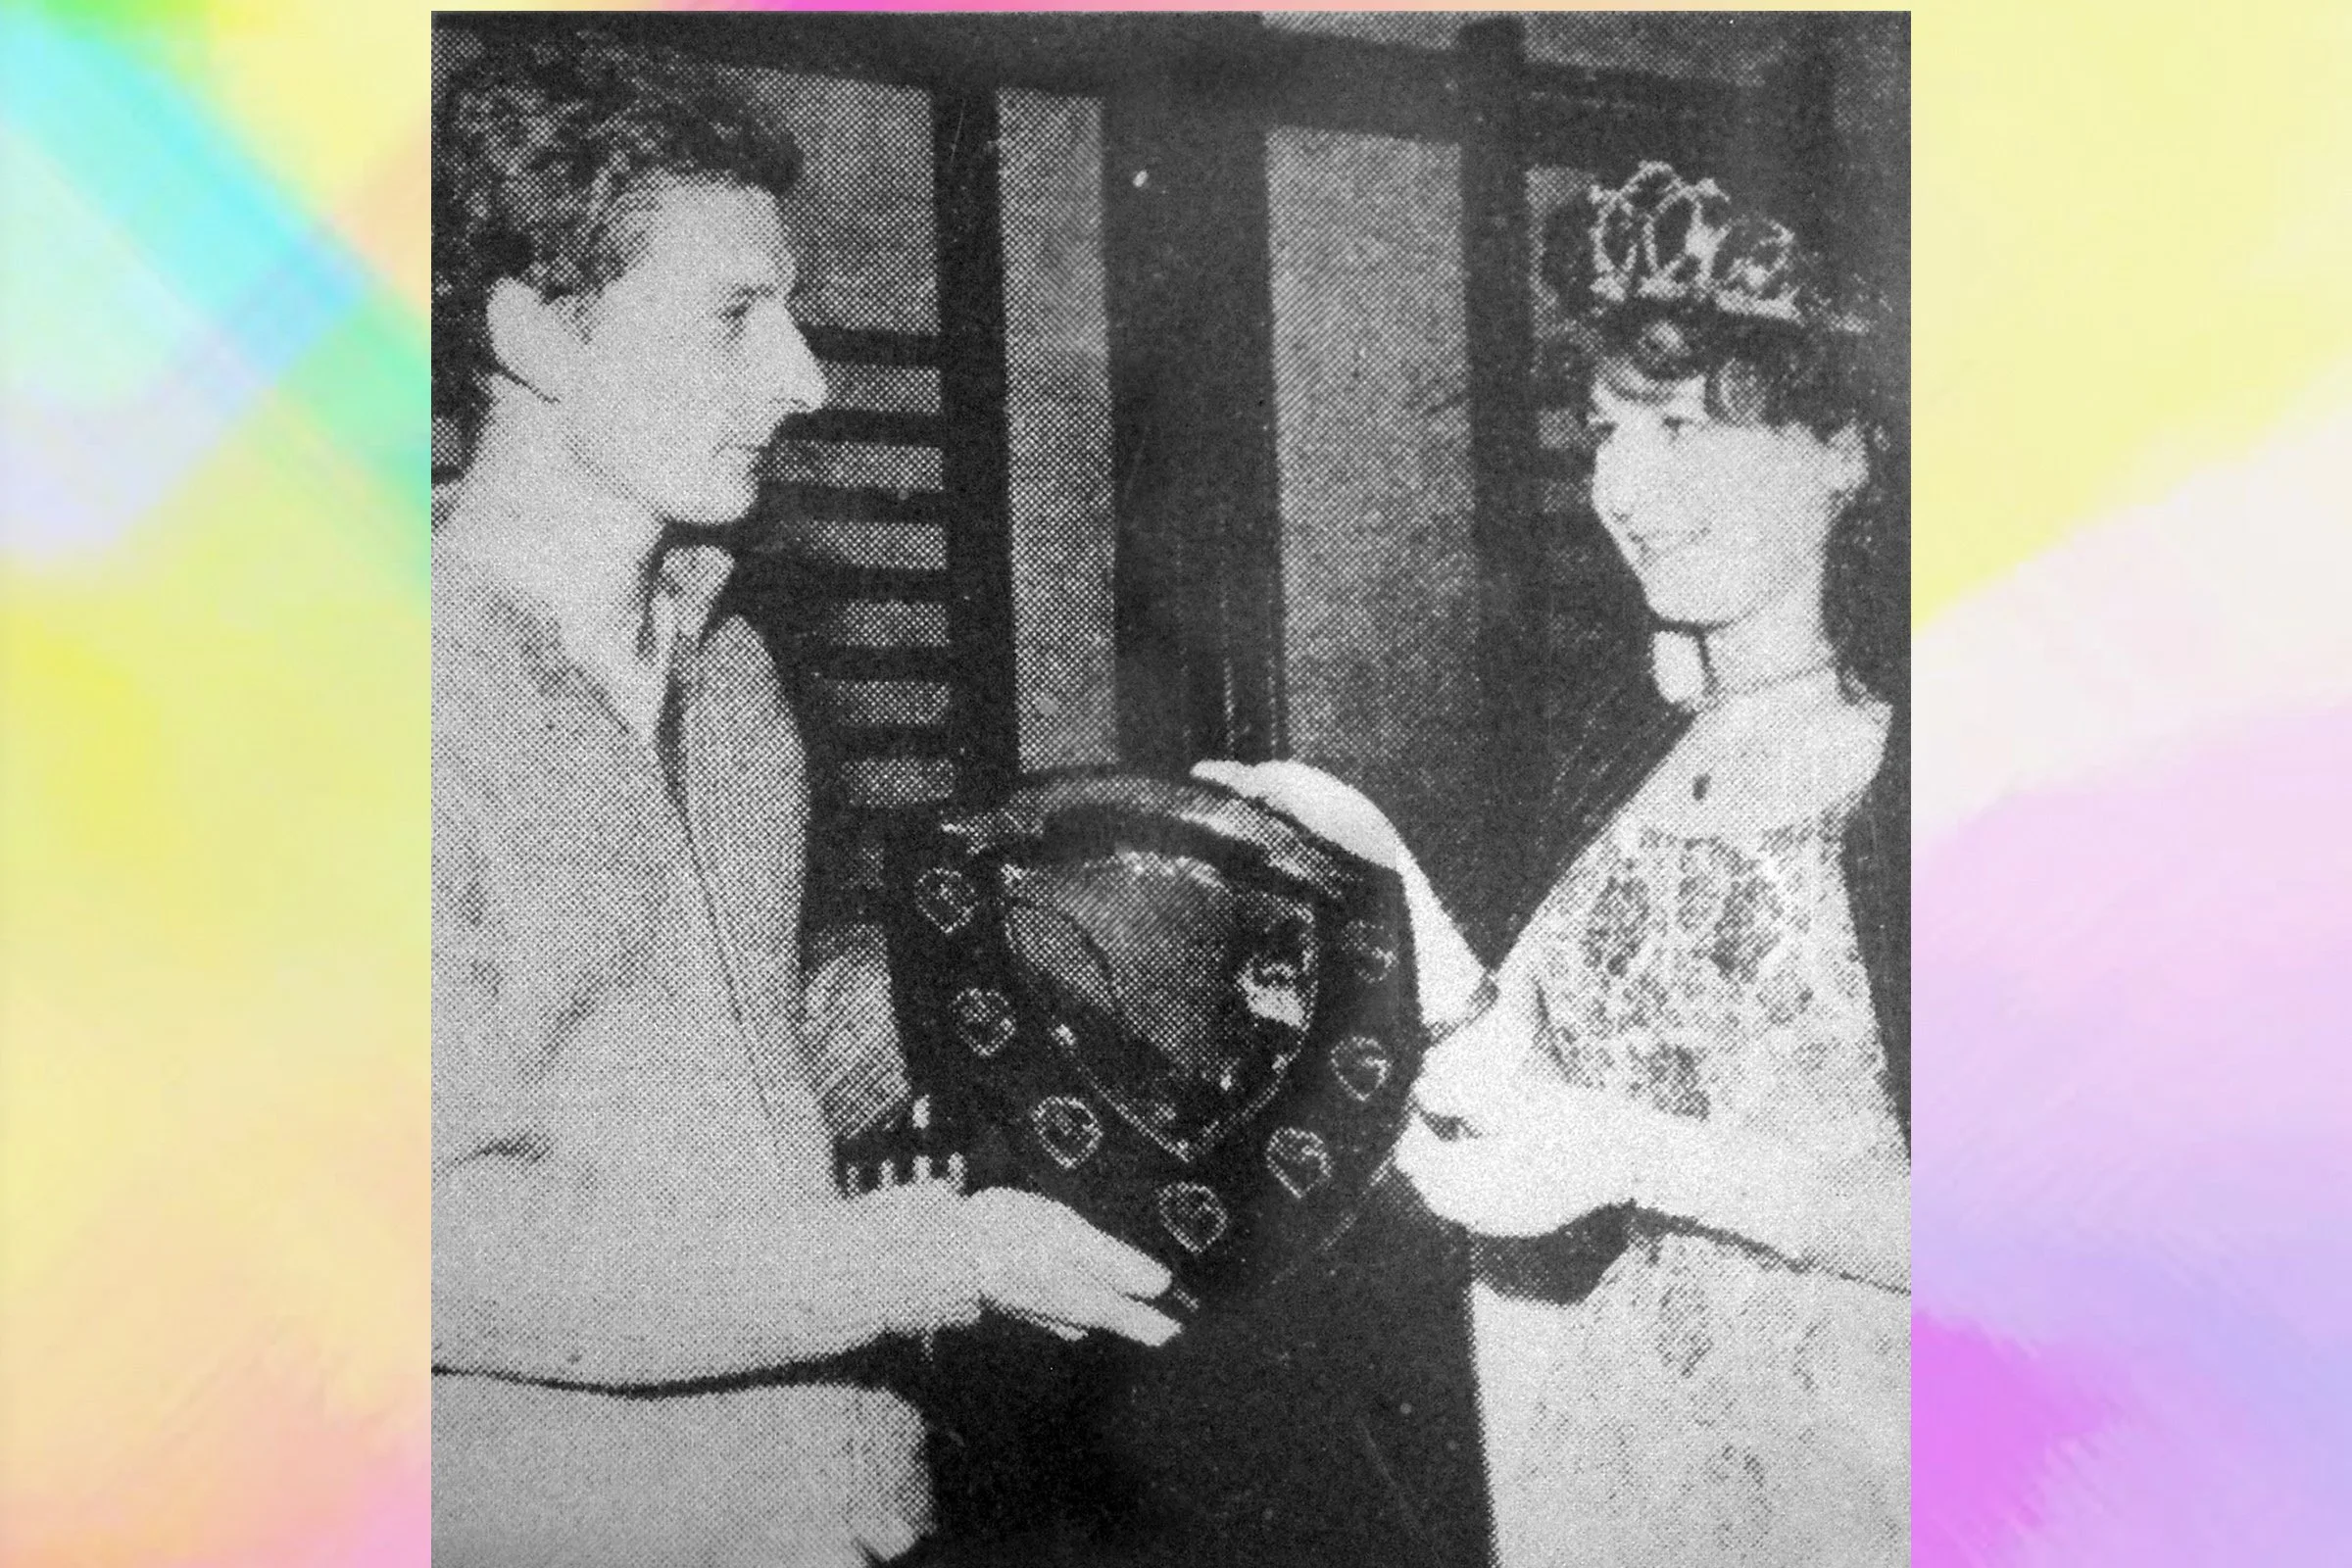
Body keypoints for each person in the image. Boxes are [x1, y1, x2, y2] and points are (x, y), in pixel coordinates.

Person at [428, 34, 1176, 1568]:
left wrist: (1039, 948)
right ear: (536, 337)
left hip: (833, 1511)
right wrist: (942, 1259)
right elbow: (453, 1248)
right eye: (732, 316)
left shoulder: (738, 671)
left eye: (794, 309)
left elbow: (747, 1069)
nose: (805, 377)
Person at [1202, 162, 1909, 1566]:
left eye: (1687, 430)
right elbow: (1521, 1086)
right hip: (1598, 1464)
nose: (1627, 487)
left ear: (1846, 450)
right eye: (1607, 430)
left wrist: (1637, 1157)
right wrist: (1374, 864)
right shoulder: (1610, 751)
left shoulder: (1923, 775)